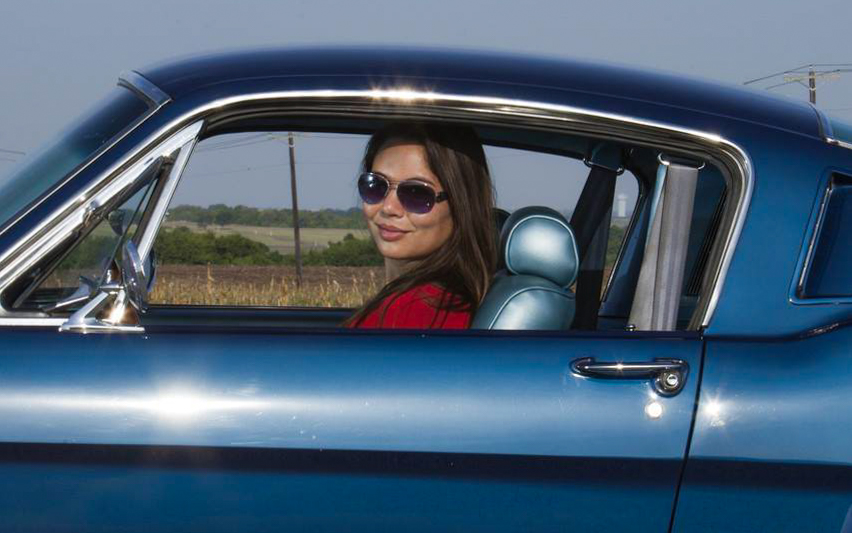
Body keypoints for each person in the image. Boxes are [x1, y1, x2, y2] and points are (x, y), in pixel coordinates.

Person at [346, 122, 497, 328]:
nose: (389, 207)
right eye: (376, 185)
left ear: (460, 204)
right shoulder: (435, 302)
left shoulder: (414, 312)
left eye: (416, 194)